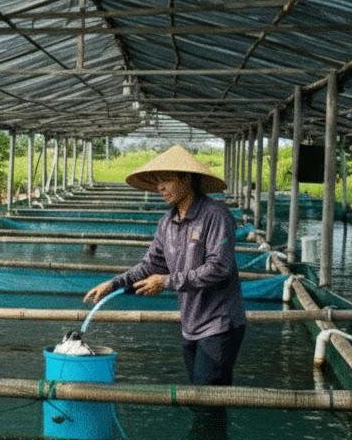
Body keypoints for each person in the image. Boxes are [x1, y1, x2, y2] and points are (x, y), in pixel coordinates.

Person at [83, 144, 246, 387]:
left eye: (167, 179)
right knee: (199, 394)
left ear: (187, 179)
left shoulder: (215, 215)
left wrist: (167, 281)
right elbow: (150, 265)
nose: (160, 187)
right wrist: (113, 284)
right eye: (158, 181)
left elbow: (219, 267)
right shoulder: (167, 223)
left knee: (207, 395)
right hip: (190, 323)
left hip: (220, 323)